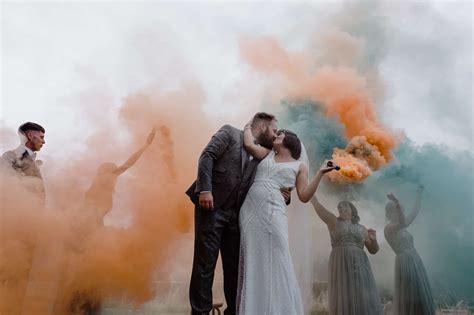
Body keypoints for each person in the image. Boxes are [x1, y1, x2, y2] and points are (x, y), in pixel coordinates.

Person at [186, 113, 291, 315]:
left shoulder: (265, 155)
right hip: (211, 207)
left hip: (238, 217)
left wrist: (284, 195)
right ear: (262, 127)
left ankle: (234, 311)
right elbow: (207, 156)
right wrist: (205, 190)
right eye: (274, 130)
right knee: (204, 265)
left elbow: (273, 180)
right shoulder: (229, 133)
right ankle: (200, 312)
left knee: (235, 269)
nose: (276, 134)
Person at [236, 127, 336, 315]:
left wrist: (320, 173)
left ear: (289, 141)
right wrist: (250, 124)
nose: (275, 136)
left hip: (274, 215)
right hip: (249, 214)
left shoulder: (299, 166)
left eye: (279, 134)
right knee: (253, 259)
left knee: (279, 257)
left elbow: (304, 196)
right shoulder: (266, 153)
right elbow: (248, 143)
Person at [310, 163, 383, 315]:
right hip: (341, 262)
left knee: (361, 295)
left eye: (345, 207)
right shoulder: (334, 222)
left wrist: (374, 239)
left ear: (352, 210)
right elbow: (319, 208)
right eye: (340, 208)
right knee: (344, 296)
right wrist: (312, 194)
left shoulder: (362, 228)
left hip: (360, 265)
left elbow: (374, 250)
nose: (342, 209)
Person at [384, 187, 435, 315]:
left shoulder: (402, 224)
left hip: (414, 258)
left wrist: (418, 194)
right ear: (390, 214)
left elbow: (415, 211)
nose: (400, 212)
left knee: (419, 290)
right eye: (396, 211)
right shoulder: (389, 228)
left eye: (400, 210)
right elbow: (402, 223)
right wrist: (396, 201)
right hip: (405, 261)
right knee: (410, 291)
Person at [1, 122, 46, 201]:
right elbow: (5, 185)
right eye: (41, 137)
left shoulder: (33, 161)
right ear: (30, 136)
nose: (43, 141)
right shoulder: (10, 156)